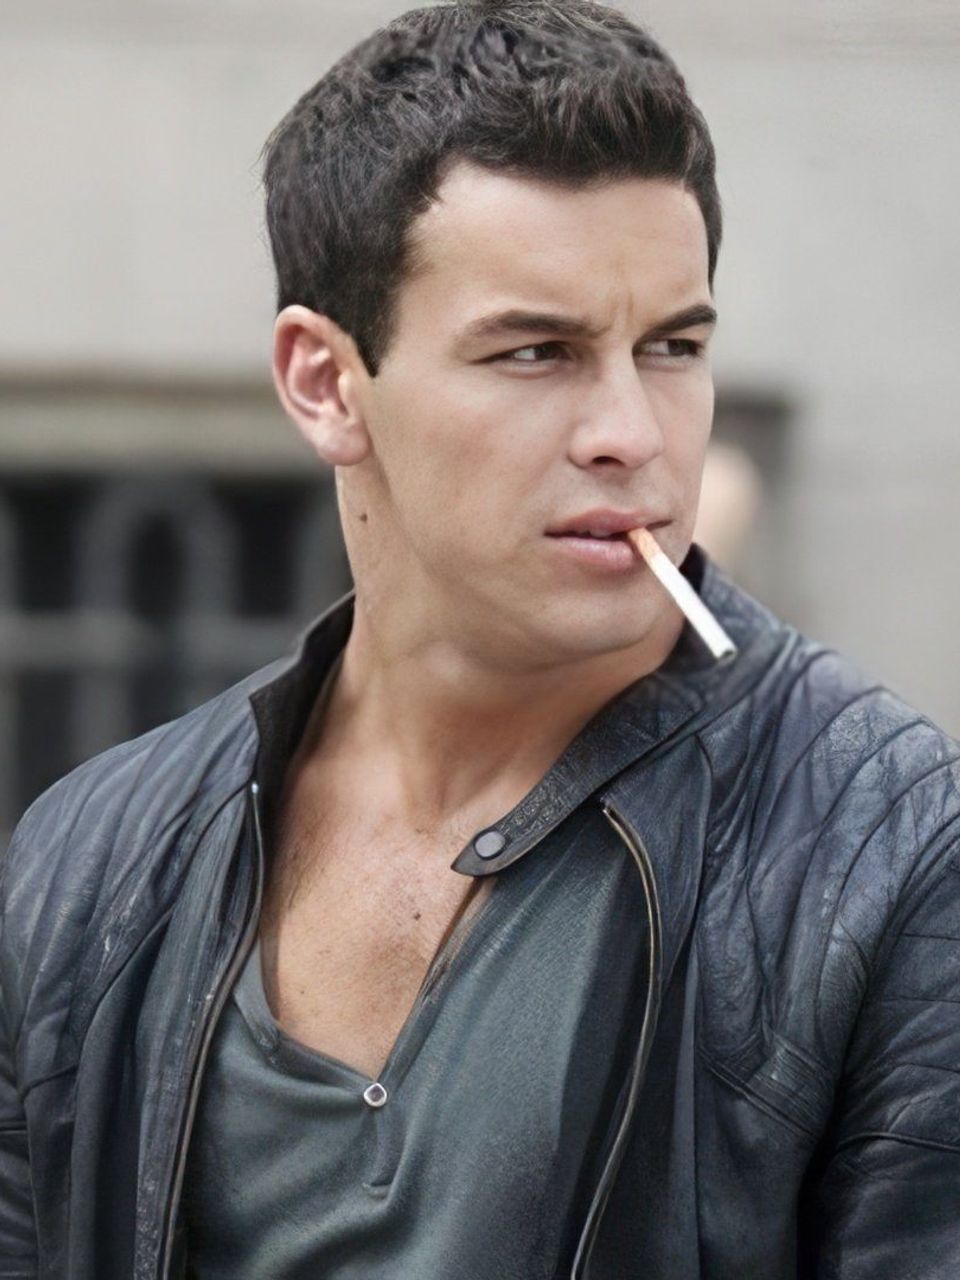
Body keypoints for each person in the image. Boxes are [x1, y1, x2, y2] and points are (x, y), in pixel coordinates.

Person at [2, 1, 959, 1276]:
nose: (632, 432)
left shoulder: (888, 847)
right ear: (325, 382)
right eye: (536, 352)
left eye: (673, 346)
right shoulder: (93, 862)